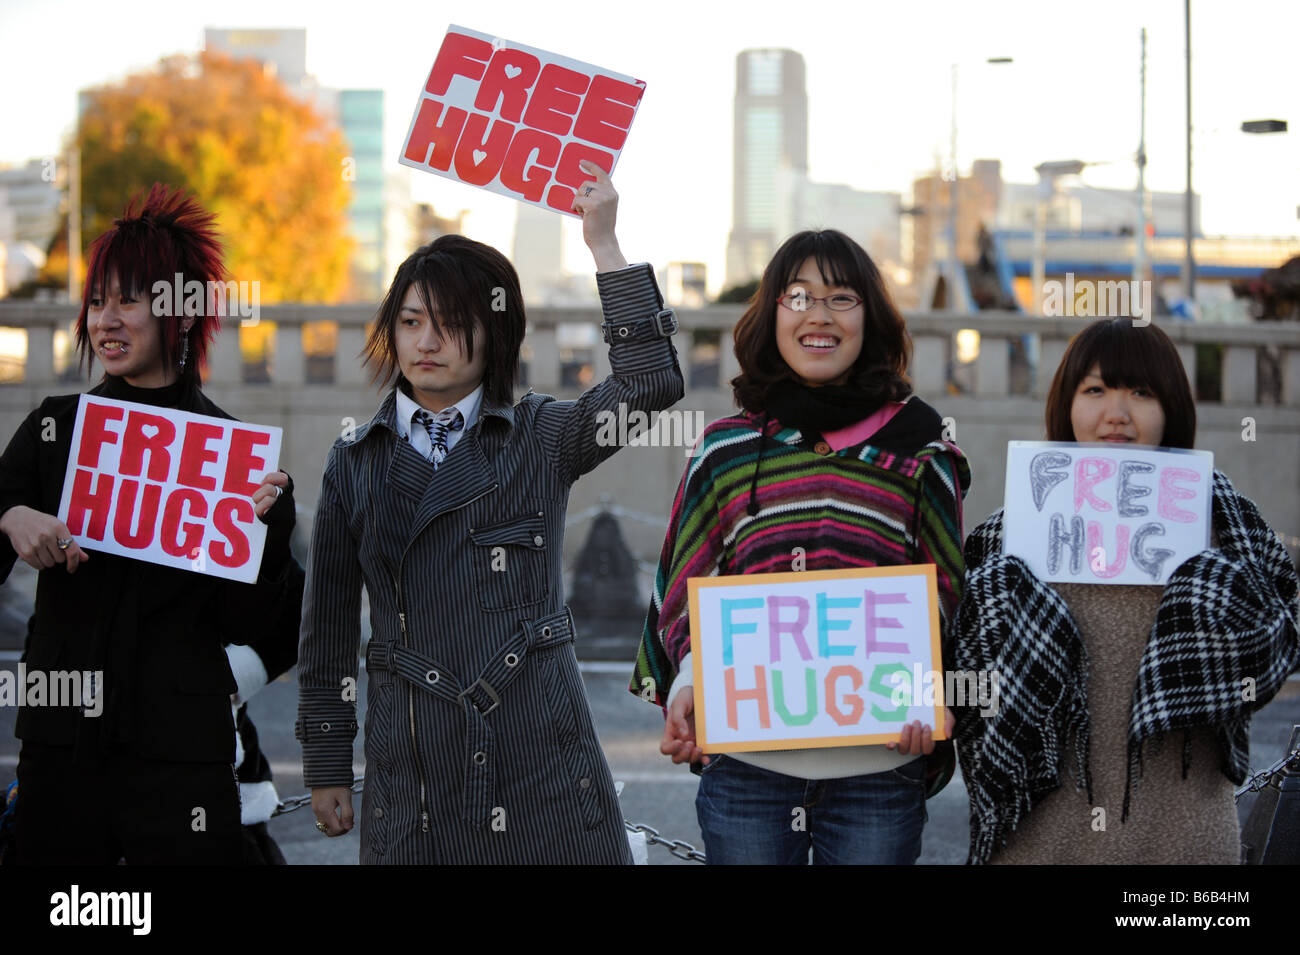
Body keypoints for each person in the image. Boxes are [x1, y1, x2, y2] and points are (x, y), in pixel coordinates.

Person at [298, 162, 684, 864]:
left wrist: (603, 243)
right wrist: (326, 761)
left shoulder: (542, 436)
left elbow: (650, 382)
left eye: (452, 324)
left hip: (541, 762)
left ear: (495, 336)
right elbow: (325, 634)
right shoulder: (354, 459)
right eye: (411, 321)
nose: (426, 341)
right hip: (413, 769)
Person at [632, 229, 970, 864]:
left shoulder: (922, 449)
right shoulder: (725, 451)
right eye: (798, 296)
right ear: (772, 315)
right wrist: (687, 686)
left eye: (842, 297)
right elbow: (687, 588)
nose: (819, 314)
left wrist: (930, 689)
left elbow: (946, 591)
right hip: (749, 769)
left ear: (871, 317)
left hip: (879, 765)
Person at [0, 184, 304, 864]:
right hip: (61, 750)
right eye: (97, 300)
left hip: (181, 759)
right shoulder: (55, 428)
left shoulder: (233, 458)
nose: (105, 320)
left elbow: (250, 622)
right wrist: (11, 516)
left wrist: (267, 536)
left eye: (128, 300)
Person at [953, 317, 1300, 864]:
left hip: (1184, 837)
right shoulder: (1010, 531)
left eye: (1141, 392)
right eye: (1095, 390)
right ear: (1066, 403)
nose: (1117, 413)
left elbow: (1272, 654)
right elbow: (968, 683)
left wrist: (1213, 581)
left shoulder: (1226, 525)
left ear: (1172, 409)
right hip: (1037, 838)